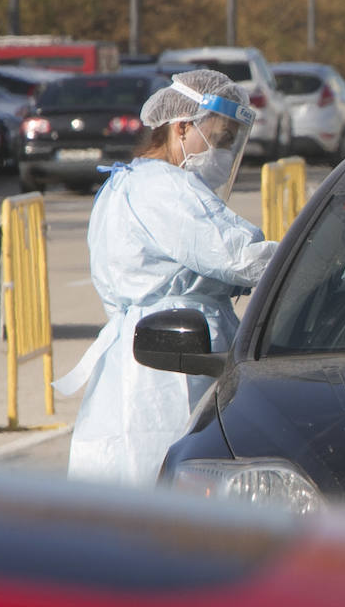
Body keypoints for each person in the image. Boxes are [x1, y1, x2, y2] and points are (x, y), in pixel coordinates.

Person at [55, 69, 277, 487]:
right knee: (174, 492)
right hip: (171, 365)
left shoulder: (129, 181)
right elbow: (237, 256)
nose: (224, 151)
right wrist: (316, 261)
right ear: (181, 128)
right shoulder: (164, 188)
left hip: (137, 358)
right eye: (220, 137)